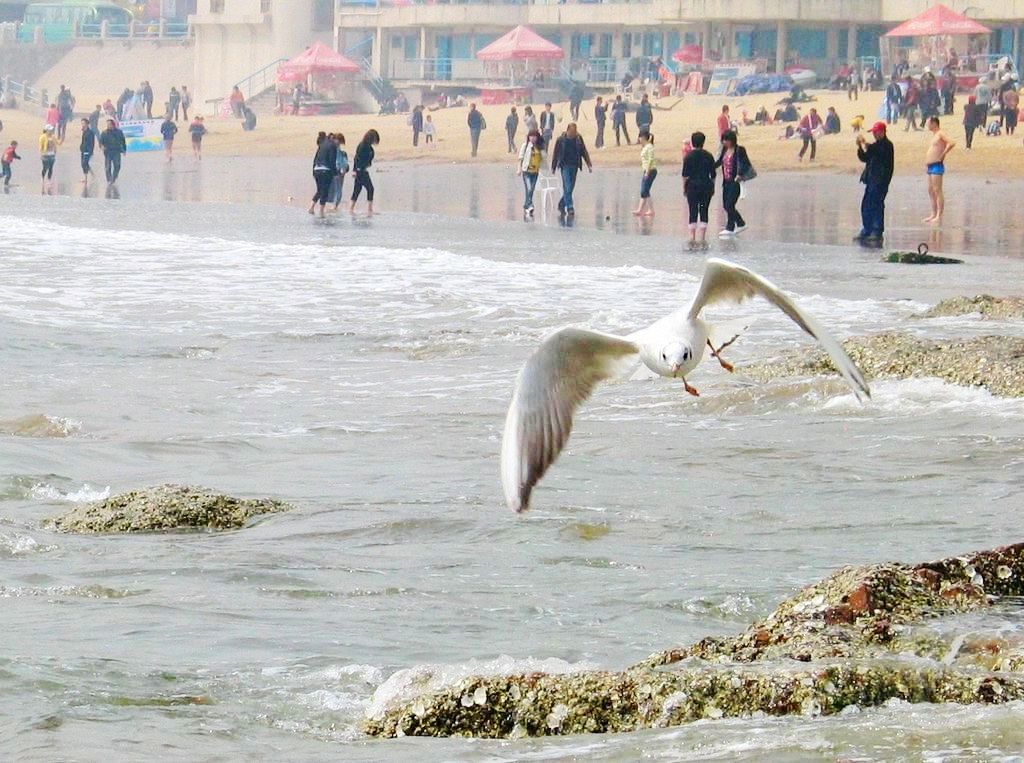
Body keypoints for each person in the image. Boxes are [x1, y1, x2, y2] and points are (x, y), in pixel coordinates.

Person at [855, 121, 894, 244]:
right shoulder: (876, 146)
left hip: (880, 181)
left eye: (876, 132)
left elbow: (878, 152)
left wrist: (865, 144)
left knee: (877, 205)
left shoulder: (887, 145)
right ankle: (867, 229)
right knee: (866, 205)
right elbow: (865, 157)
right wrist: (860, 147)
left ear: (882, 132)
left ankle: (876, 231)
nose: (874, 135)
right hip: (871, 180)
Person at [549, 122, 592, 216]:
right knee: (567, 186)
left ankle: (561, 204)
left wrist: (589, 164)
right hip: (564, 165)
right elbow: (555, 153)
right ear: (567, 130)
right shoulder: (561, 140)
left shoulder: (578, 139)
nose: (573, 134)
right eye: (572, 132)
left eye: (575, 132)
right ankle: (570, 207)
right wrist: (553, 167)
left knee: (571, 188)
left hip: (575, 165)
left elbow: (584, 151)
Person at [681, 131, 716, 247]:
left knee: (693, 210)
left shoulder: (688, 156)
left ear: (692, 142)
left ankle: (692, 236)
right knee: (704, 209)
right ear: (703, 142)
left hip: (692, 186)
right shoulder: (709, 155)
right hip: (706, 185)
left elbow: (685, 175)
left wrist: (684, 188)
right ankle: (702, 237)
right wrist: (713, 187)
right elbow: (713, 175)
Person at [714, 129, 750, 237]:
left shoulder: (739, 150)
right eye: (723, 140)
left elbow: (745, 164)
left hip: (735, 181)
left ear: (732, 140)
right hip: (726, 181)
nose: (724, 142)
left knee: (730, 204)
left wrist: (740, 174)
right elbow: (720, 162)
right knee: (726, 205)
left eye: (726, 140)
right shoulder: (725, 149)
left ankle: (730, 227)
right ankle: (740, 223)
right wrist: (709, 167)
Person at [923, 116, 955, 224]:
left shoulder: (940, 133)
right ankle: (933, 213)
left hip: (937, 164)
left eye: (928, 123)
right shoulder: (934, 135)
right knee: (930, 190)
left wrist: (944, 153)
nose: (927, 125)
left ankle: (939, 215)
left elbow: (951, 143)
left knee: (937, 190)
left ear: (934, 123)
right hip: (930, 165)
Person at [350, 128, 379, 216]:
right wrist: (354, 170)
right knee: (370, 188)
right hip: (360, 170)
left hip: (363, 169)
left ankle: (351, 209)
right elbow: (356, 158)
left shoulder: (369, 147)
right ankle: (369, 209)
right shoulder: (362, 146)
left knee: (357, 189)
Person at [309, 131, 337, 219]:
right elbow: (332, 160)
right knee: (325, 191)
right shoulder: (332, 146)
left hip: (317, 169)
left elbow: (315, 159)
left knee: (320, 190)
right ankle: (321, 211)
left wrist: (313, 171)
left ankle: (311, 207)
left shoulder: (321, 146)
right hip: (326, 171)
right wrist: (335, 173)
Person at [516, 128, 544, 217]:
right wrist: (519, 169)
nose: (532, 138)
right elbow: (520, 158)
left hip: (535, 172)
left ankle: (526, 205)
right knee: (529, 188)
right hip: (526, 171)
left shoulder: (539, 147)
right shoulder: (525, 146)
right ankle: (530, 205)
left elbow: (543, 159)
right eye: (531, 136)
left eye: (534, 136)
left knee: (531, 189)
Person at [632, 131, 657, 217]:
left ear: (643, 137)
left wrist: (647, 171)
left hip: (651, 171)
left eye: (639, 137)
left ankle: (648, 210)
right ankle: (644, 209)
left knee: (644, 190)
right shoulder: (645, 147)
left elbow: (650, 159)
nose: (639, 139)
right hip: (647, 170)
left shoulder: (649, 147)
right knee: (645, 190)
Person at [99, 118, 126, 183]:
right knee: (108, 167)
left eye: (109, 125)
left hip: (116, 151)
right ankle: (109, 179)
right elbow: (100, 142)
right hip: (108, 152)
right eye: (107, 125)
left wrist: (124, 150)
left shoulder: (119, 132)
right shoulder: (104, 133)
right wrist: (102, 147)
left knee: (117, 166)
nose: (108, 126)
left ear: (113, 125)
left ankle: (114, 177)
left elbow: (123, 141)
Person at [330, 133, 349, 211]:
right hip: (338, 171)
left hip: (337, 170)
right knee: (338, 189)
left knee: (336, 189)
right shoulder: (337, 150)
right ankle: (334, 207)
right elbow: (339, 161)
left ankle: (334, 206)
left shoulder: (336, 149)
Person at [38, 124, 57, 190]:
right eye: (50, 130)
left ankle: (49, 180)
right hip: (45, 154)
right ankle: (43, 179)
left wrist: (55, 152)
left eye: (51, 130)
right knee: (45, 167)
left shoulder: (53, 137)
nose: (51, 131)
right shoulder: (42, 137)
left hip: (52, 154)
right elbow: (40, 146)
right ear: (46, 130)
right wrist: (41, 154)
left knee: (51, 168)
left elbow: (56, 144)